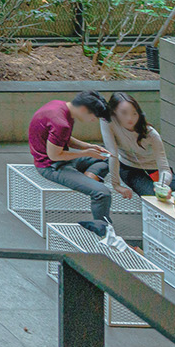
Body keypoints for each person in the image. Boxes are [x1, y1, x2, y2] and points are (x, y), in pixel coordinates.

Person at [30, 90, 130, 247]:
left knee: (107, 158)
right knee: (102, 193)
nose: (92, 120)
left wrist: (89, 146)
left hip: (62, 159)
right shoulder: (61, 122)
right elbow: (55, 155)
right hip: (52, 166)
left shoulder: (60, 107)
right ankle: (105, 233)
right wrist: (85, 153)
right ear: (84, 109)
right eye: (93, 117)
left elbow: (62, 138)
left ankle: (90, 175)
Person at [95, 92, 175, 215]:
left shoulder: (151, 134)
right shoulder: (107, 121)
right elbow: (113, 154)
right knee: (161, 205)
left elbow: (164, 168)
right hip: (130, 170)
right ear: (114, 113)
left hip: (155, 170)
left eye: (134, 113)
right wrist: (116, 185)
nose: (130, 118)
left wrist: (162, 186)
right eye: (124, 113)